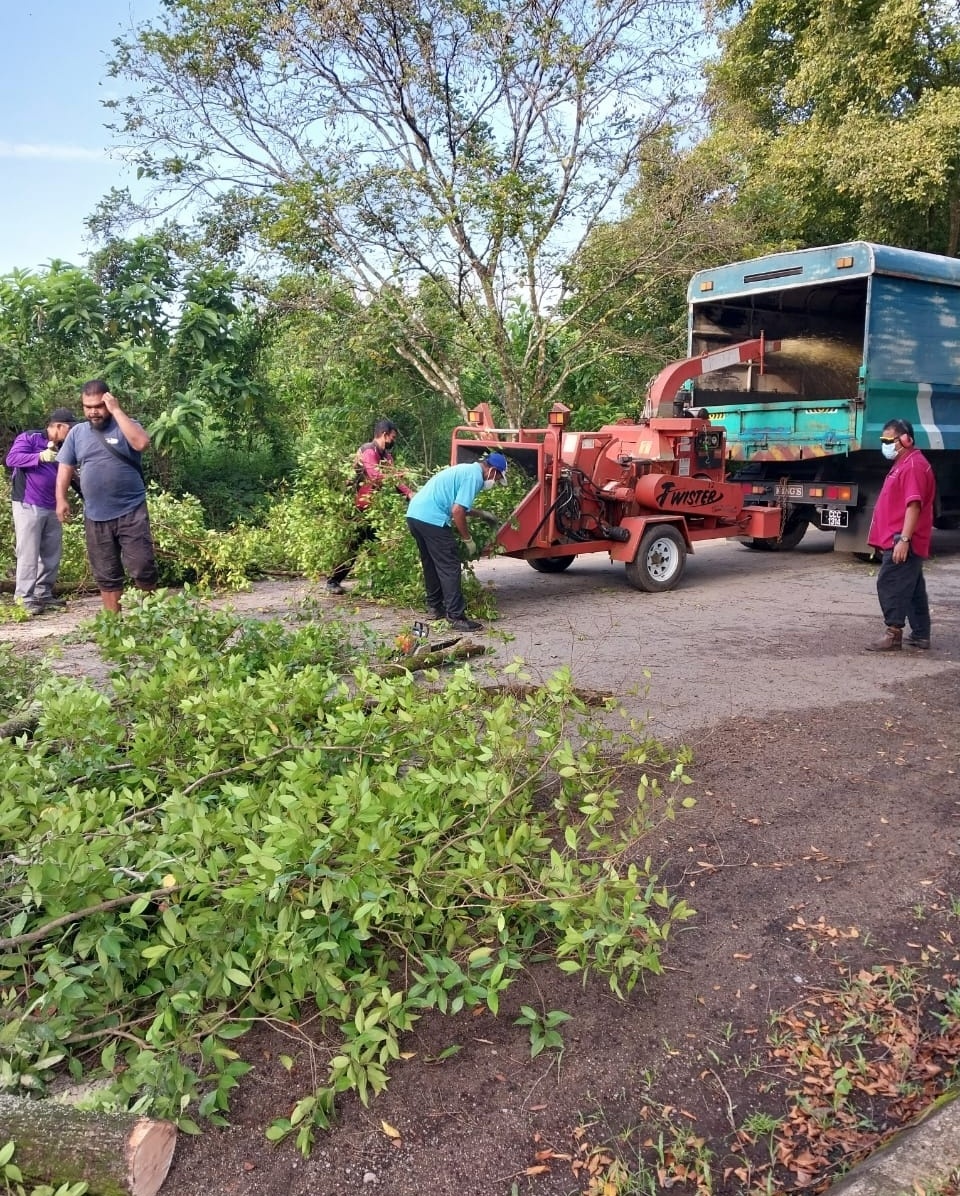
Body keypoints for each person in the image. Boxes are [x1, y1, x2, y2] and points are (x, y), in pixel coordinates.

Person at [55, 380, 158, 614]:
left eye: (99, 406)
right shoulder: (77, 433)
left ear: (108, 401)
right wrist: (61, 499)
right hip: (95, 515)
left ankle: (152, 618)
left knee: (142, 567)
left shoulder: (125, 425)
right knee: (106, 573)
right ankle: (114, 626)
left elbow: (141, 443)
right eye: (87, 406)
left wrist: (117, 410)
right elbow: (64, 468)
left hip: (131, 510)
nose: (93, 411)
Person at [406, 452, 507, 632]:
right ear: (492, 471)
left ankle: (434, 607)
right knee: (450, 565)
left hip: (414, 515)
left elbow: (458, 504)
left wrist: (481, 514)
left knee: (431, 563)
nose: (496, 482)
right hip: (431, 518)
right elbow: (457, 510)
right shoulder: (475, 477)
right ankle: (455, 616)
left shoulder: (466, 470)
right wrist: (467, 539)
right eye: (498, 478)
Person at [864, 418, 936, 652]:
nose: (885, 444)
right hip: (896, 538)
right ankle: (921, 635)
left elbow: (913, 505)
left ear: (906, 439)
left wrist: (904, 540)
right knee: (912, 587)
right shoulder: (904, 463)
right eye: (883, 440)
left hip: (903, 539)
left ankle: (893, 633)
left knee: (891, 583)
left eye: (889, 439)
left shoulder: (913, 466)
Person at [326, 418, 414, 594]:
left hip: (373, 506)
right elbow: (374, 475)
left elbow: (395, 480)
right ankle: (333, 581)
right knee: (354, 546)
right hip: (357, 506)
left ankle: (377, 583)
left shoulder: (386, 456)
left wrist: (409, 493)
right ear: (384, 435)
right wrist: (396, 474)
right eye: (393, 437)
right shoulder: (368, 451)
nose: (393, 441)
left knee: (377, 545)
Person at [5, 407, 77, 615]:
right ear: (59, 426)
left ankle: (43, 594)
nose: (71, 432)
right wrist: (40, 456)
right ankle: (24, 599)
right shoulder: (30, 437)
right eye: (69, 428)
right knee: (28, 552)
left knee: (51, 552)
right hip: (28, 503)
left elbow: (70, 475)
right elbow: (12, 459)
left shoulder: (65, 447)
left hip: (52, 504)